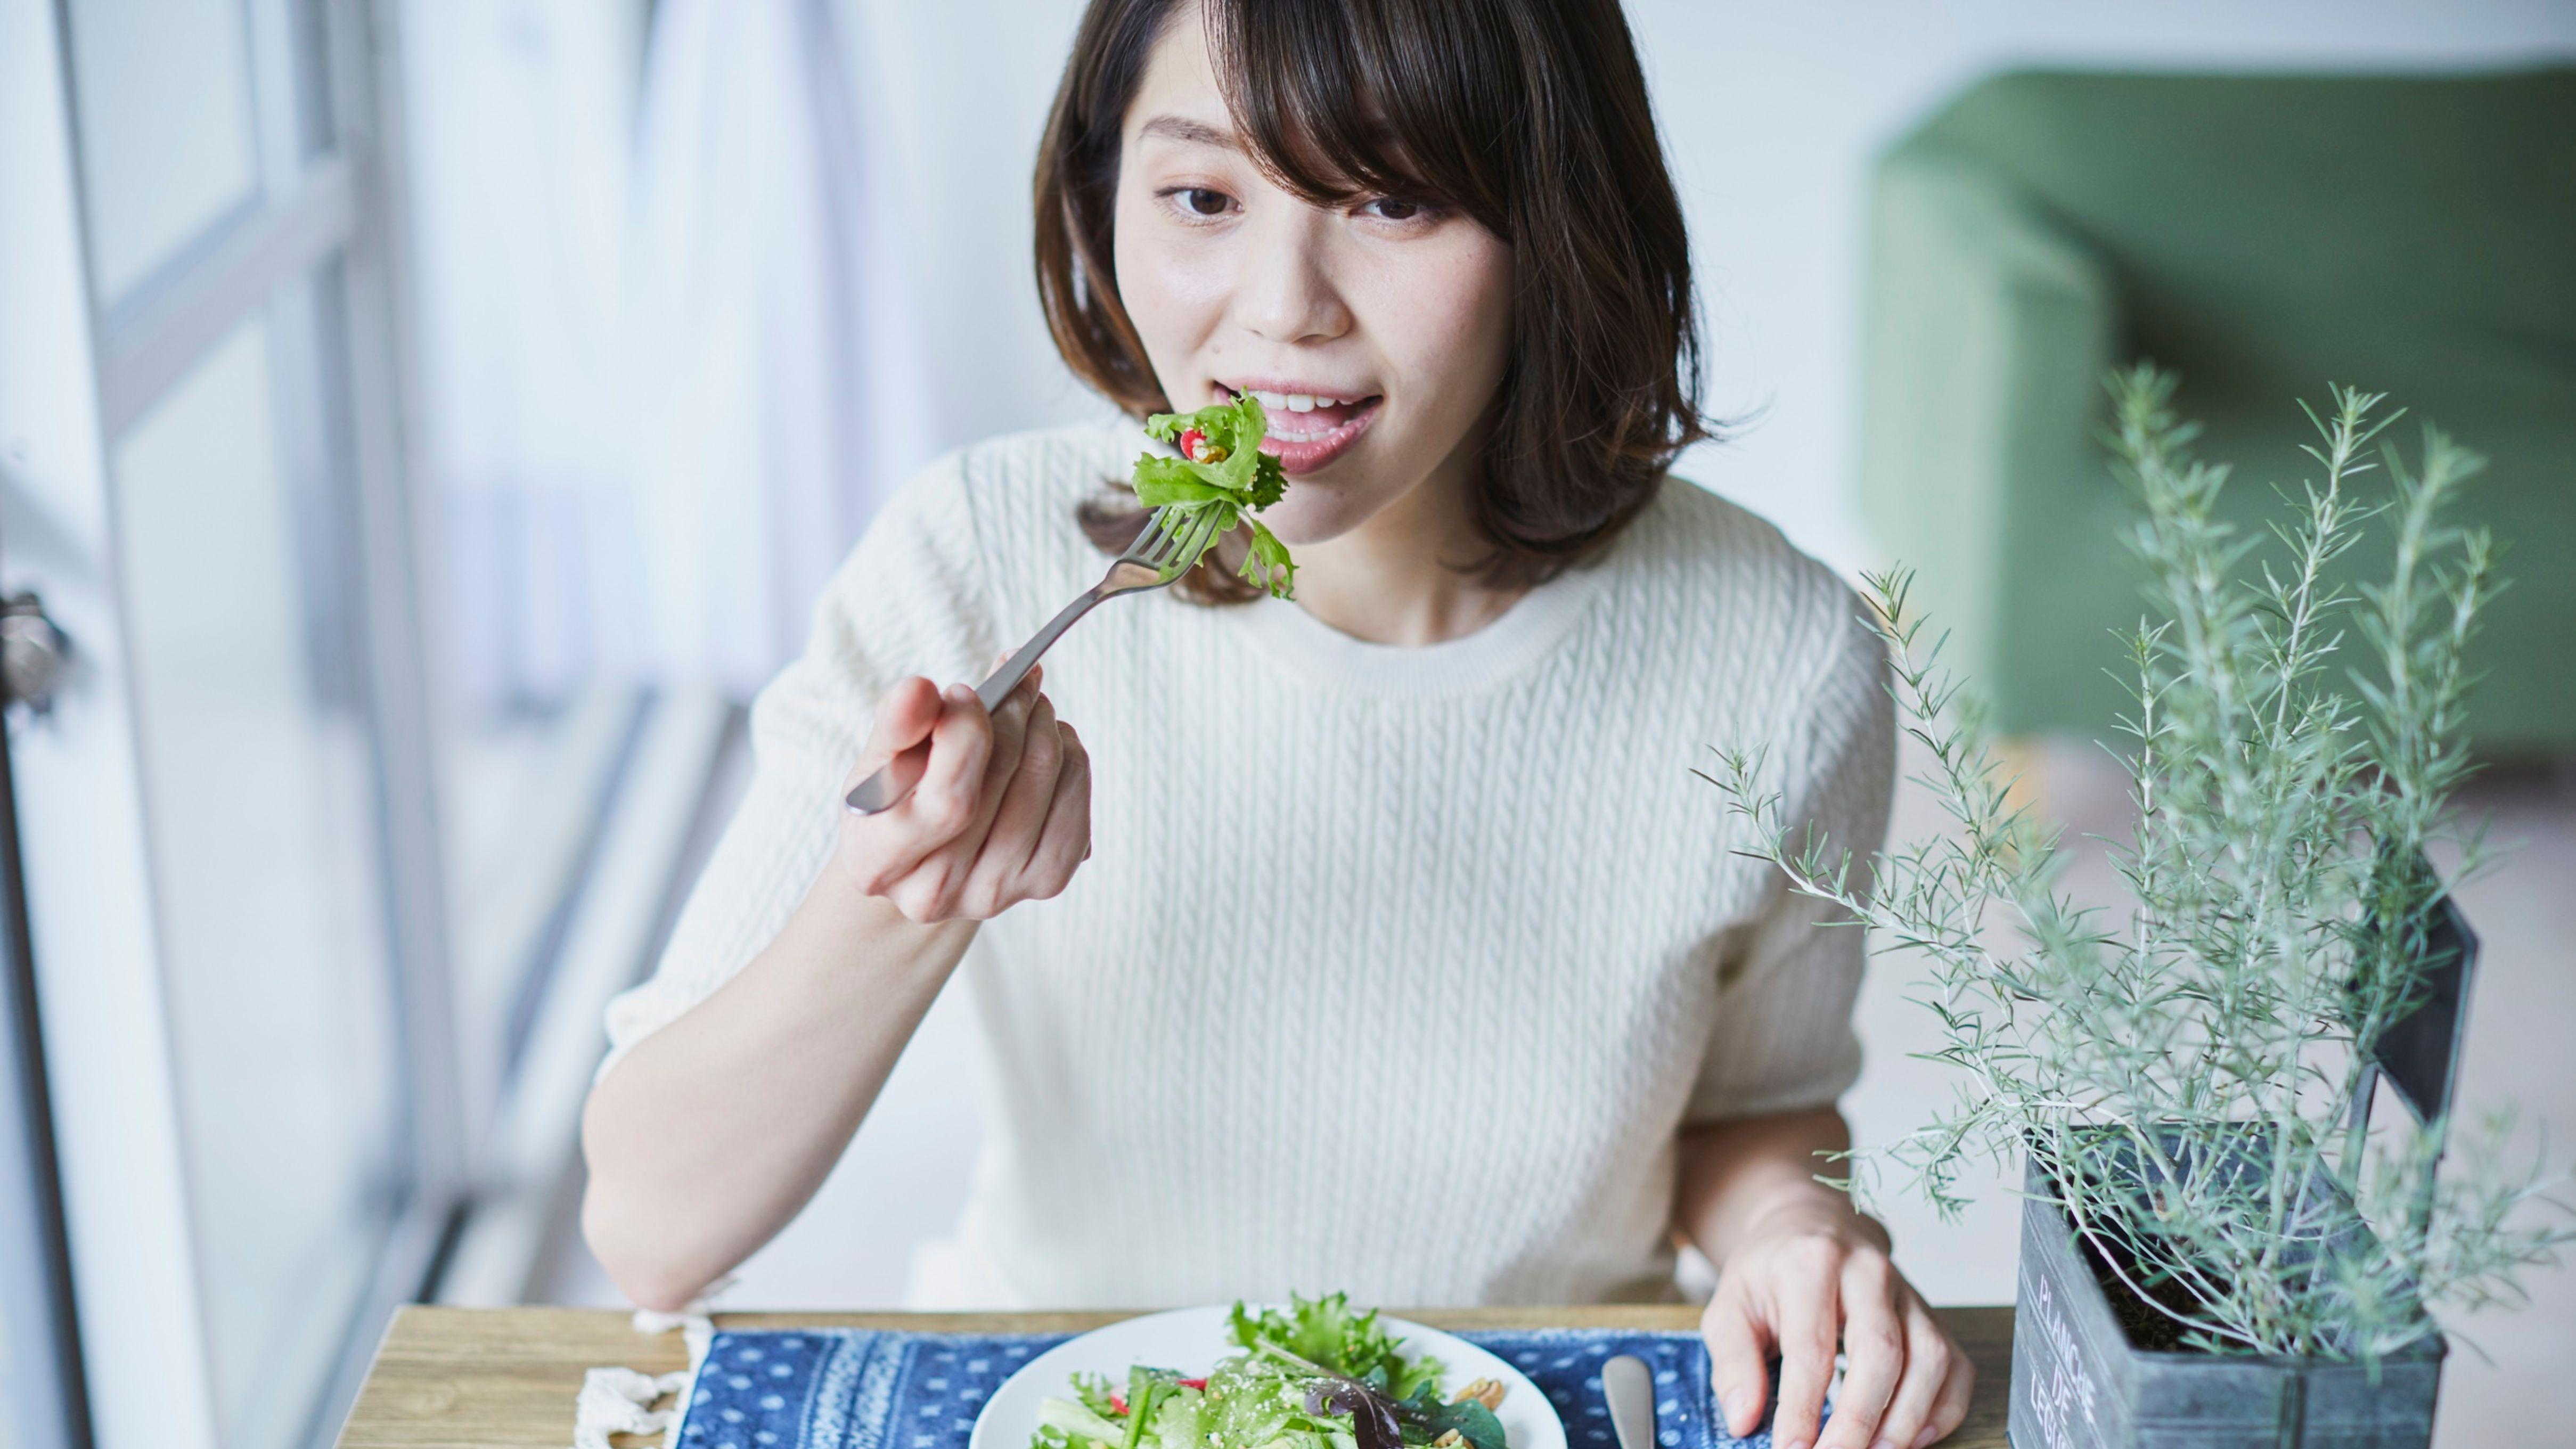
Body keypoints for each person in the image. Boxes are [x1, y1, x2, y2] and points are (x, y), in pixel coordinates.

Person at [579, 2, 1972, 1447]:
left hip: (1534, 1407)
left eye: (1393, 197)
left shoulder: (1783, 650)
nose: (1284, 306)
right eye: (1201, 197)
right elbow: (653, 1230)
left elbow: (1756, 1107)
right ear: (1100, 198)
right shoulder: (976, 558)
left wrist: (1795, 1235)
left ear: (1559, 215)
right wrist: (906, 896)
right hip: (1065, 1402)